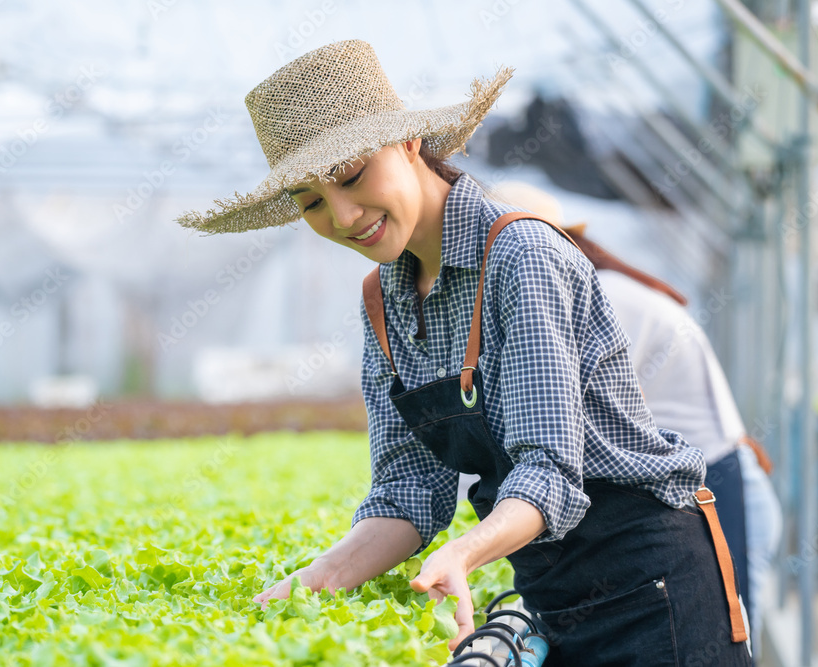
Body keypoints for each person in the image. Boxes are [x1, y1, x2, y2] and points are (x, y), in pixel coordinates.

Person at [177, 39, 752, 665]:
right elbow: (408, 495)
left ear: (407, 144)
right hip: (552, 590)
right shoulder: (385, 299)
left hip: (653, 586)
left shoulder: (520, 257)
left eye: (351, 177)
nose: (343, 216)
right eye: (312, 202)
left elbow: (550, 472)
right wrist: (306, 586)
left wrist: (466, 550)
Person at [490, 182, 782, 658]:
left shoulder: (597, 298)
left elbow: (560, 423)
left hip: (719, 487)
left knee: (731, 644)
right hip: (699, 485)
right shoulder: (590, 288)